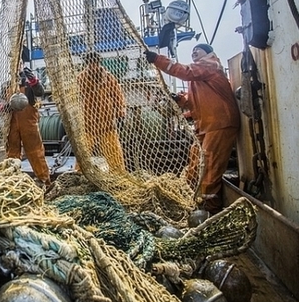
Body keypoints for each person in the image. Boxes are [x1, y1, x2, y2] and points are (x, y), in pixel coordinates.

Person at [144, 43, 241, 214]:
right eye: (192, 50)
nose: (194, 51)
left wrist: (158, 59)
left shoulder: (210, 64)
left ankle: (211, 210)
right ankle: (191, 198)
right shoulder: (200, 77)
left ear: (209, 53)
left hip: (219, 124)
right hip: (205, 126)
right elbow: (192, 101)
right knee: (195, 163)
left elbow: (186, 72)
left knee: (210, 166)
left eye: (199, 49)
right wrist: (180, 100)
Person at [0, 64, 51, 187]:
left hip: (29, 123)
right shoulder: (7, 85)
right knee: (12, 153)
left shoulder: (29, 84)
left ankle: (44, 180)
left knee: (35, 151)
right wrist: (6, 106)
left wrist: (33, 80)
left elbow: (40, 93)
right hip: (12, 122)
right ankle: (12, 178)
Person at [77, 51, 126, 174]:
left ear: (98, 63)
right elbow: (75, 98)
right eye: (90, 64)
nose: (93, 66)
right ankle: (79, 174)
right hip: (88, 122)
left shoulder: (109, 77)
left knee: (114, 151)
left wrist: (120, 113)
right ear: (87, 64)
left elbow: (117, 96)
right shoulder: (81, 78)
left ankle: (118, 175)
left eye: (94, 63)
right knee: (83, 152)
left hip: (107, 122)